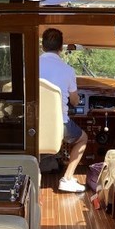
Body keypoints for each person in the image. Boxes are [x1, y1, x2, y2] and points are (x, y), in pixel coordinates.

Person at [39, 28, 87, 193]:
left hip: (33, 126)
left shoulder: (30, 67)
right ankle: (66, 179)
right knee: (82, 139)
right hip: (60, 125)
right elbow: (74, 100)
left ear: (42, 46)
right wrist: (77, 100)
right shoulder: (68, 70)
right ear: (61, 48)